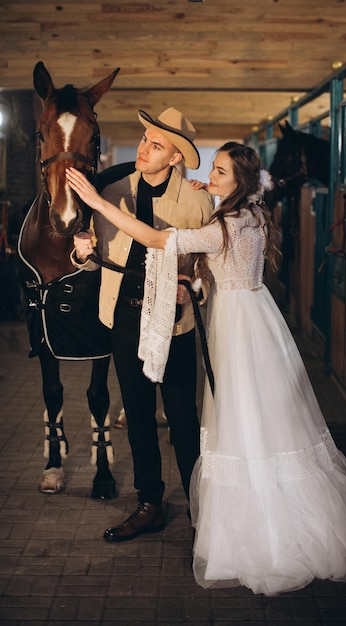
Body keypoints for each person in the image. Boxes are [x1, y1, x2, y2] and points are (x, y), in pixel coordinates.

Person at [66, 141, 346, 596]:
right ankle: (248, 506)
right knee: (259, 419)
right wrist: (204, 227)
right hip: (255, 319)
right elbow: (216, 261)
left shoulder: (226, 223)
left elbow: (159, 240)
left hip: (235, 327)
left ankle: (253, 526)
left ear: (241, 183)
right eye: (213, 168)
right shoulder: (247, 213)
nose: (209, 175)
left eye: (220, 171)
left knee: (236, 418)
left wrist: (94, 202)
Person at [70, 107, 214, 542]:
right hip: (124, 316)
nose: (143, 148)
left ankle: (199, 508)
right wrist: (80, 251)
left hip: (173, 322)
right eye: (144, 138)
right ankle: (149, 502)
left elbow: (211, 265)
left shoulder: (196, 199)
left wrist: (195, 290)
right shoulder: (111, 191)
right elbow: (89, 259)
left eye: (156, 145)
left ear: (174, 158)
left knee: (183, 418)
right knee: (137, 417)